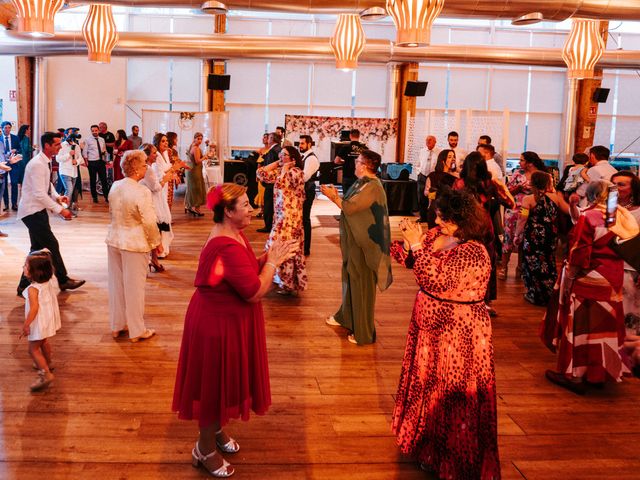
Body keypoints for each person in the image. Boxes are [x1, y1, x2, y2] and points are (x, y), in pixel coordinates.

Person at [172, 183, 296, 479]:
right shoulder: (225, 244)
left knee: (220, 382)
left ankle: (214, 430)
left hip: (226, 319)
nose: (252, 207)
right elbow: (254, 291)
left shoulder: (234, 234)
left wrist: (268, 256)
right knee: (212, 386)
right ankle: (204, 449)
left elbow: (247, 268)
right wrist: (275, 262)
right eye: (244, 205)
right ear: (228, 212)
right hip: (216, 325)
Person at [390, 189, 500, 479]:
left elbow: (438, 280)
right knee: (427, 383)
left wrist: (416, 247)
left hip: (457, 331)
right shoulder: (438, 235)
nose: (437, 220)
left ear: (460, 220)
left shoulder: (474, 251)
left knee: (449, 390)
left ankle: (449, 457)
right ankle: (425, 445)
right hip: (428, 328)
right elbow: (416, 264)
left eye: (443, 217)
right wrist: (406, 245)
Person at [541, 180, 628, 394]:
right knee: (604, 328)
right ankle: (599, 374)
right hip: (614, 277)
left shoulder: (590, 217)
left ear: (591, 194)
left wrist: (569, 278)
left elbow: (580, 252)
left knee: (582, 327)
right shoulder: (620, 216)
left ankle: (576, 374)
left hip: (589, 278)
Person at [321, 150, 393, 345]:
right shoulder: (362, 183)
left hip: (366, 245)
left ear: (365, 165)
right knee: (351, 278)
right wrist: (337, 196)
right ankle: (347, 316)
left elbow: (351, 208)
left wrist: (332, 197)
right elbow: (351, 204)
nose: (355, 163)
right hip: (356, 242)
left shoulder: (373, 187)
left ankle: (364, 332)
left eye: (358, 161)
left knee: (362, 285)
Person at [17, 132, 85, 296]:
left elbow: (46, 185)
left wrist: (56, 196)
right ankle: (63, 280)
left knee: (37, 248)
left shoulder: (43, 162)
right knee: (52, 245)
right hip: (31, 211)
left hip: (37, 210)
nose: (60, 147)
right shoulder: (37, 164)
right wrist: (60, 209)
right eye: (56, 144)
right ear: (47, 145)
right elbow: (40, 194)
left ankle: (22, 286)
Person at [106, 150, 162, 343]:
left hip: (114, 238)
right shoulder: (141, 191)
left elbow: (113, 211)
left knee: (116, 284)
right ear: (137, 169)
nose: (147, 166)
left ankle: (117, 325)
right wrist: (156, 242)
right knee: (135, 287)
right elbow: (148, 221)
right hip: (134, 242)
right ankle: (137, 330)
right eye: (145, 163)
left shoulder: (115, 185)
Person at [454, 152, 515, 317]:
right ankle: (485, 302)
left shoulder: (459, 183)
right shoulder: (489, 184)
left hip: (465, 229)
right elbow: (510, 203)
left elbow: (453, 207)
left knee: (465, 263)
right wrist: (502, 186)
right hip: (485, 228)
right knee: (487, 264)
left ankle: (464, 297)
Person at [256, 146, 307, 294]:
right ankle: (284, 281)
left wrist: (285, 168)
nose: (281, 156)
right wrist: (278, 163)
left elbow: (283, 183)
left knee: (286, 247)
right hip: (280, 216)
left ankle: (288, 283)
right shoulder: (281, 171)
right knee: (278, 246)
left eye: (284, 155)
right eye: (280, 154)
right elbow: (260, 174)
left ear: (293, 158)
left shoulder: (296, 172)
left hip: (291, 217)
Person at [514, 172, 570, 305]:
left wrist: (517, 235)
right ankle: (550, 293)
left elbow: (522, 219)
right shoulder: (556, 197)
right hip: (550, 235)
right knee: (548, 262)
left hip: (533, 236)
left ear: (533, 183)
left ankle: (534, 294)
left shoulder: (528, 199)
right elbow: (568, 211)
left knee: (532, 264)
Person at [499, 151, 546, 279]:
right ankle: (504, 267)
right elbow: (506, 191)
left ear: (530, 163)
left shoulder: (542, 176)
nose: (519, 163)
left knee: (525, 240)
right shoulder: (518, 174)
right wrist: (519, 188)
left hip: (532, 211)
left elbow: (548, 194)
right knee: (508, 238)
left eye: (522, 160)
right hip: (514, 209)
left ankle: (520, 267)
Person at [21, 249, 61, 392]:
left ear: (34, 272)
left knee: (33, 349)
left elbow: (34, 309)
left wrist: (26, 324)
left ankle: (45, 374)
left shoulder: (33, 289)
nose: (23, 267)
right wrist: (44, 253)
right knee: (43, 341)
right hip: (48, 320)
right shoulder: (48, 282)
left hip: (39, 322)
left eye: (26, 265)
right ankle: (48, 363)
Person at [140, 143, 173, 273]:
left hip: (151, 199)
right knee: (154, 231)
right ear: (147, 155)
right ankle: (152, 260)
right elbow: (156, 187)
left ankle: (153, 259)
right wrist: (164, 180)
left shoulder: (146, 168)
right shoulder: (147, 169)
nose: (156, 155)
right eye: (154, 153)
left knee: (154, 231)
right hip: (151, 201)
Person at [152, 133, 175, 257]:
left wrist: (173, 172)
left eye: (166, 141)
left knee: (165, 214)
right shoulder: (157, 156)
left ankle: (163, 246)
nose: (166, 143)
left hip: (165, 186)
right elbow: (160, 175)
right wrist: (175, 168)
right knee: (162, 216)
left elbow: (168, 169)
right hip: (158, 186)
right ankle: (159, 249)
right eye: (163, 141)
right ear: (157, 143)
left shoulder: (165, 153)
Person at [424, 149, 457, 228]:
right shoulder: (433, 175)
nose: (453, 159)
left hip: (449, 212)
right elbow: (426, 192)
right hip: (434, 209)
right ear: (442, 160)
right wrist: (432, 194)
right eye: (449, 157)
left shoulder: (456, 177)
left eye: (454, 157)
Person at [257, 132, 281, 233]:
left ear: (272, 139)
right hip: (275, 182)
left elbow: (270, 167)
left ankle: (268, 226)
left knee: (268, 205)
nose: (267, 139)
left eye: (269, 137)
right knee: (271, 205)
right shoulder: (278, 149)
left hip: (271, 182)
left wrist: (262, 176)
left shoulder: (273, 151)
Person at [299, 134, 319, 256]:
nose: (300, 146)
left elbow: (305, 177)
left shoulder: (311, 159)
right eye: (300, 143)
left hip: (308, 189)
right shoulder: (304, 156)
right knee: (302, 218)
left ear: (309, 144)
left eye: (302, 143)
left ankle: (306, 249)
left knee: (305, 218)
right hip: (304, 190)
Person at [57, 129, 84, 210]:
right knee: (69, 190)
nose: (72, 141)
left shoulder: (76, 146)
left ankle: (67, 208)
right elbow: (58, 159)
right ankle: (64, 209)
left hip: (74, 172)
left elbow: (80, 158)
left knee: (70, 191)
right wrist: (69, 154)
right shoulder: (62, 145)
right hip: (65, 171)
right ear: (67, 136)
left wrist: (77, 162)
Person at [334, 129, 367, 196]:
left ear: (350, 136)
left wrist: (344, 162)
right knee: (358, 198)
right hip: (360, 177)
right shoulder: (365, 149)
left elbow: (336, 161)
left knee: (347, 198)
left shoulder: (345, 148)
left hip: (347, 176)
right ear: (359, 136)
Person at [82, 124, 109, 203]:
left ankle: (106, 197)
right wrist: (86, 161)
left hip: (101, 162)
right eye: (92, 131)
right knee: (93, 180)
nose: (94, 132)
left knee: (104, 180)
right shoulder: (87, 140)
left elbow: (104, 149)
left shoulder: (102, 139)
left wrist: (106, 157)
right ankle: (94, 197)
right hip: (92, 162)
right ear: (91, 131)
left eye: (96, 130)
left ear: (98, 131)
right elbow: (85, 151)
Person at [416, 135, 440, 222]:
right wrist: (418, 173)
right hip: (422, 177)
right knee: (421, 198)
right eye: (427, 140)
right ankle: (422, 217)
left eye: (430, 140)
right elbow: (418, 163)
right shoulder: (422, 151)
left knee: (431, 198)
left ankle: (430, 217)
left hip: (432, 178)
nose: (428, 142)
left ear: (435, 142)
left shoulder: (439, 152)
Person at [185, 132, 207, 217]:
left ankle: (190, 206)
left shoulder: (191, 146)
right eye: (198, 138)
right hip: (195, 171)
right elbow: (197, 161)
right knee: (198, 189)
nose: (200, 141)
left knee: (192, 189)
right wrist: (204, 157)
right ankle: (197, 209)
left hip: (191, 170)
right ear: (194, 138)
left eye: (201, 139)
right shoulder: (196, 148)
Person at [2, 121, 22, 211]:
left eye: (9, 127)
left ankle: (14, 204)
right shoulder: (0, 138)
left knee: (14, 183)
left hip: (14, 163)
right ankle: (6, 204)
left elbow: (20, 149)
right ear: (2, 128)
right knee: (4, 184)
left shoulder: (15, 138)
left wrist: (16, 150)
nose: (7, 129)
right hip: (3, 164)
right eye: (5, 127)